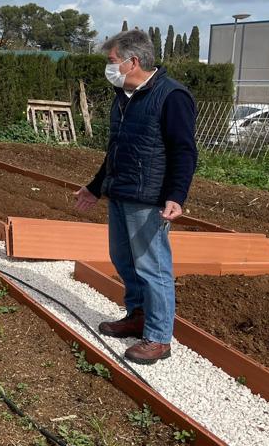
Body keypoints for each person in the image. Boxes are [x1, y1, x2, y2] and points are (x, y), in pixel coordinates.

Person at [75, 29, 198, 365]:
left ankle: (159, 338)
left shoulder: (171, 96)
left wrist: (176, 195)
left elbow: (184, 151)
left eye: (112, 61)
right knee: (124, 259)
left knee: (153, 266)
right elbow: (116, 150)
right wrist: (96, 186)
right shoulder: (124, 96)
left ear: (132, 62)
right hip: (121, 191)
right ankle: (138, 315)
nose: (108, 67)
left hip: (149, 197)